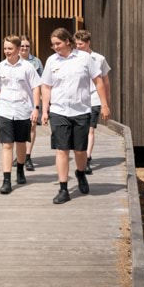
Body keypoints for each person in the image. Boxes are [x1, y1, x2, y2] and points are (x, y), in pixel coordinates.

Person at [40, 28, 110, 204]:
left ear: (68, 42)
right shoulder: (51, 61)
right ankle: (63, 189)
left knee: (79, 150)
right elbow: (46, 86)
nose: (55, 47)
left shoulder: (84, 58)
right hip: (59, 111)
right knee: (62, 149)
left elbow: (98, 80)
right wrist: (45, 110)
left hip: (81, 111)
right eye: (53, 44)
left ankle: (80, 173)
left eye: (58, 43)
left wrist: (104, 104)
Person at [0, 35, 41, 194]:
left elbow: (36, 88)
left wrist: (36, 108)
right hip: (4, 110)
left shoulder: (28, 67)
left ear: (18, 49)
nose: (7, 51)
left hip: (23, 110)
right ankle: (6, 180)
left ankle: (20, 169)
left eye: (10, 48)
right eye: (5, 48)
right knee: (6, 145)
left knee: (20, 143)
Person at [74, 29, 111, 169]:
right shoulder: (73, 58)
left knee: (90, 129)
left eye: (81, 44)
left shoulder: (99, 59)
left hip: (94, 97)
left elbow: (105, 81)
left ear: (88, 43)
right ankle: (82, 154)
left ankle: (87, 157)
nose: (78, 47)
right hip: (79, 99)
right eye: (76, 44)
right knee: (81, 130)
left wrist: (105, 102)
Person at [19, 36, 44, 171]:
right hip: (16, 100)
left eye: (27, 46)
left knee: (32, 127)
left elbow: (42, 80)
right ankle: (20, 154)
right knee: (18, 129)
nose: (24, 48)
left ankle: (28, 156)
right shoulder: (12, 60)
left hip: (32, 99)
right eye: (22, 46)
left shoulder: (36, 62)